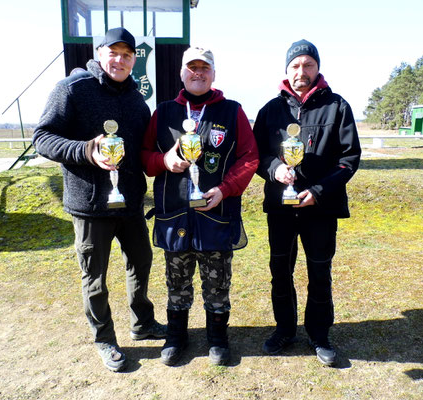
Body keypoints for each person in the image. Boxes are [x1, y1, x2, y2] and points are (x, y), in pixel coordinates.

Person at [32, 27, 165, 373]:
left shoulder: (137, 100)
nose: (120, 60)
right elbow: (43, 137)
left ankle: (142, 323)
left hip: (131, 203)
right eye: (114, 53)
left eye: (127, 55)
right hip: (90, 207)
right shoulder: (71, 89)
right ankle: (105, 338)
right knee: (95, 277)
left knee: (141, 261)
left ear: (134, 59)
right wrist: (86, 150)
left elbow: (143, 150)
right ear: (99, 52)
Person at [141, 47, 259, 366]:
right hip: (174, 216)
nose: (198, 73)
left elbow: (249, 158)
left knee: (217, 283)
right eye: (191, 67)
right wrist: (164, 160)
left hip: (216, 217)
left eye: (204, 68)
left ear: (213, 74)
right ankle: (176, 337)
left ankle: (217, 339)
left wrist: (225, 188)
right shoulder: (163, 112)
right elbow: (145, 157)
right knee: (176, 283)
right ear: (182, 74)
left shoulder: (232, 111)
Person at [253, 39, 361, 367]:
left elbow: (349, 159)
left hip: (320, 209)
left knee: (319, 272)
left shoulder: (338, 107)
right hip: (281, 208)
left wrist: (318, 190)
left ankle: (319, 334)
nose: (302, 71)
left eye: (308, 64)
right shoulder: (271, 110)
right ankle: (285, 329)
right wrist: (275, 169)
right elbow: (256, 156)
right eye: (296, 65)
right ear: (287, 70)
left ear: (317, 67)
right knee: (280, 271)